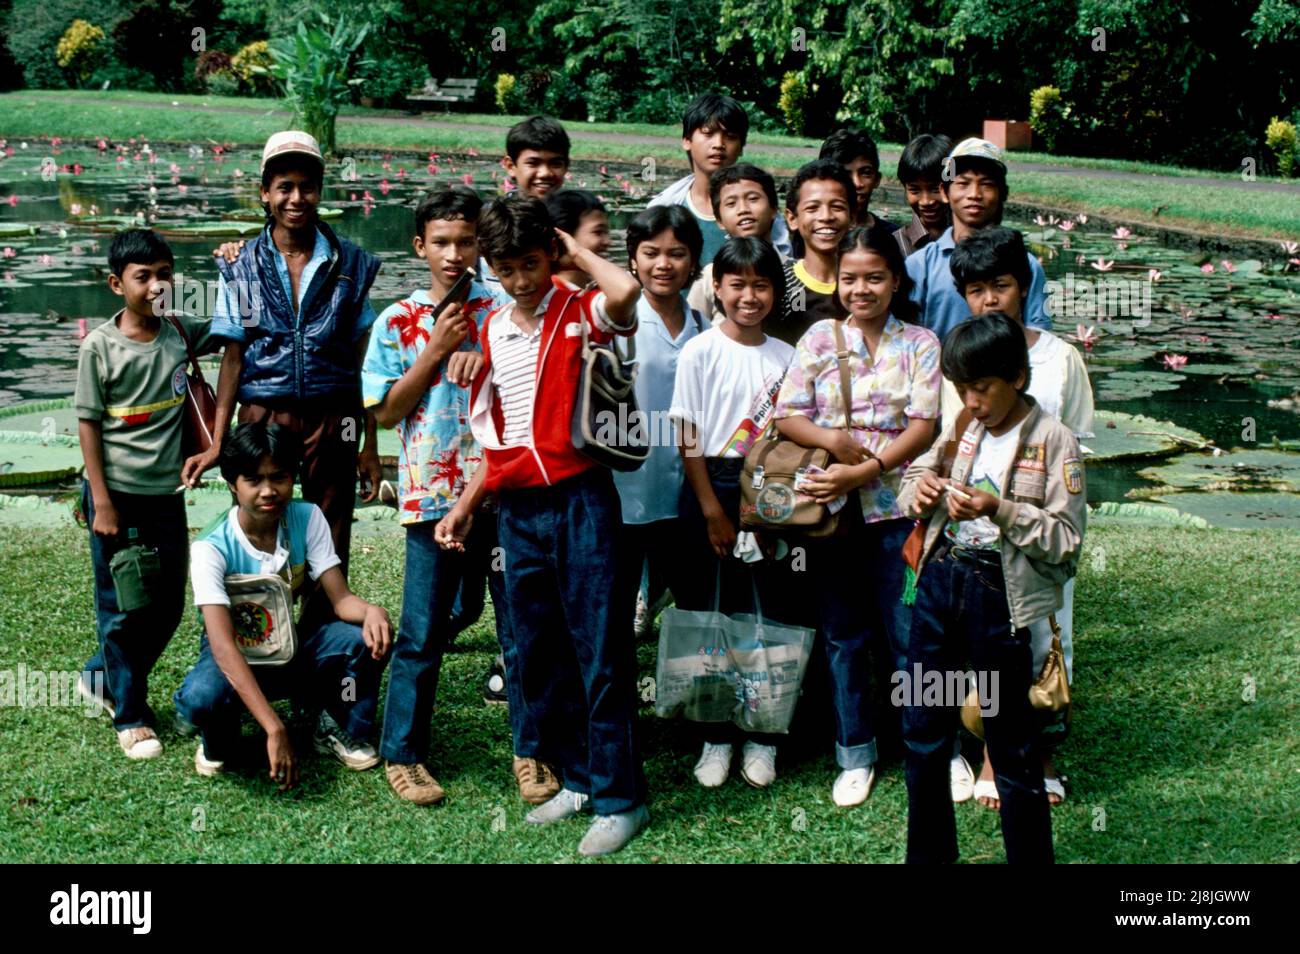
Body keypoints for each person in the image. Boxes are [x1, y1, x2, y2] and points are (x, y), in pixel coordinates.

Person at [438, 195, 648, 857]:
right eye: (506, 268)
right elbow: (500, 442)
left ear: (548, 256)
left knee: (601, 652)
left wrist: (573, 251)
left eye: (531, 263)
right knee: (540, 651)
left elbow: (628, 290)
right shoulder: (495, 328)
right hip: (519, 512)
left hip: (583, 501)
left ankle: (623, 799)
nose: (521, 279)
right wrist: (465, 505)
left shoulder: (579, 309)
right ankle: (580, 778)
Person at [361, 184, 532, 805]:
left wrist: (480, 358)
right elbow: (386, 413)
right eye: (442, 242)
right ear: (420, 246)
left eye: (466, 242)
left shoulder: (508, 310)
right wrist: (434, 352)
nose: (455, 254)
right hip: (430, 498)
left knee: (520, 630)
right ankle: (402, 752)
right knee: (422, 629)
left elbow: (525, 400)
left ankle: (531, 749)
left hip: (506, 495)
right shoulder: (397, 321)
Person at [897, 312, 1086, 864]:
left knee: (1011, 743)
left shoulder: (1055, 442)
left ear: (1018, 379)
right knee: (922, 731)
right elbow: (910, 483)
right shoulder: (962, 428)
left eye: (981, 388)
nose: (971, 400)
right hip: (937, 586)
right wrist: (924, 490)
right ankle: (929, 857)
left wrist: (999, 510)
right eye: (961, 389)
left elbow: (1066, 539)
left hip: (997, 599)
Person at [773, 227, 941, 806]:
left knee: (908, 633)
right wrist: (837, 444)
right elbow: (786, 414)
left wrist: (865, 471)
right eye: (849, 278)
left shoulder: (920, 342)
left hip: (902, 511)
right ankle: (855, 752)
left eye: (874, 277)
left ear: (896, 280)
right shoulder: (820, 337)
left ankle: (929, 747)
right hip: (831, 515)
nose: (861, 289)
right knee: (844, 636)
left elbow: (925, 425)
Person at [191, 130, 383, 635]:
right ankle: (257, 643)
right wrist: (217, 439)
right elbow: (233, 356)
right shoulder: (243, 263)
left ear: (320, 190)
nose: (296, 199)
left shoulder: (351, 266)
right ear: (265, 193)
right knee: (256, 523)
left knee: (331, 526)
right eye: (283, 187)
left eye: (307, 186)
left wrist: (369, 441)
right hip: (262, 409)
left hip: (334, 413)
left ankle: (320, 656)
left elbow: (362, 358)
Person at [947, 226, 1095, 808]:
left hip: (1041, 532)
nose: (989, 300)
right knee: (982, 645)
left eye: (1001, 286)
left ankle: (1041, 750)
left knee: (1045, 640)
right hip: (974, 535)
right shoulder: (958, 354)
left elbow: (1078, 452)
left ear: (1024, 286)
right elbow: (949, 439)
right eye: (976, 289)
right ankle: (985, 751)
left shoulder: (1061, 361)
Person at [175, 422, 393, 787]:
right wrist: (275, 728)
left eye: (279, 477)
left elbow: (341, 600)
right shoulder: (210, 547)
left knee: (363, 639)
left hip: (287, 646)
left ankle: (337, 725)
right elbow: (223, 647)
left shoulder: (307, 518)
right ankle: (213, 731)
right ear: (232, 484)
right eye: (253, 480)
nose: (268, 490)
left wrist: (374, 612)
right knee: (203, 700)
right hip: (234, 654)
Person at [73, 228, 215, 760]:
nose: (157, 286)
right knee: (122, 607)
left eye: (164, 275)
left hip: (165, 495)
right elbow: (87, 425)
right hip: (116, 495)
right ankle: (130, 714)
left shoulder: (180, 332)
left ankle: (99, 676)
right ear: (117, 284)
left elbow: (235, 326)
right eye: (143, 277)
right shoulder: (100, 347)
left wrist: (230, 269)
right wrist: (102, 503)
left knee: (168, 606)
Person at [670, 236, 797, 790]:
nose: (750, 296)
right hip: (709, 487)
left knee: (764, 614)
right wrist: (711, 512)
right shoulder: (699, 351)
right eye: (738, 284)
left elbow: (788, 442)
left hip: (768, 490)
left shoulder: (788, 358)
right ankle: (714, 735)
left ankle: (762, 737)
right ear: (716, 288)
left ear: (777, 291)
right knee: (707, 612)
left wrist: (765, 514)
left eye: (761, 285)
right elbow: (687, 435)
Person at [613, 205, 709, 637]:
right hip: (625, 489)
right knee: (613, 604)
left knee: (695, 600)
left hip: (687, 491)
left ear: (694, 261)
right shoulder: (617, 322)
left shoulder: (703, 326)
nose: (664, 265)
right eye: (651, 253)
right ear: (633, 259)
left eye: (677, 253)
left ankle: (690, 694)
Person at [905, 138, 1051, 343]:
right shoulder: (919, 265)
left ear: (1002, 194)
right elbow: (908, 340)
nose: (974, 194)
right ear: (945, 192)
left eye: (987, 184)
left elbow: (1039, 338)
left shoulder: (1027, 266)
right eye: (963, 183)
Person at [648, 92, 793, 263]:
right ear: (687, 140)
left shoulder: (761, 210)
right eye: (708, 134)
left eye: (730, 137)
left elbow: (784, 262)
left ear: (741, 147)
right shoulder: (664, 205)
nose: (718, 144)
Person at [769, 159, 856, 345]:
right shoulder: (780, 282)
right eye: (812, 208)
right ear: (792, 219)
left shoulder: (862, 284)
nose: (826, 217)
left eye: (837, 207)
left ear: (852, 217)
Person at [686, 163, 785, 325]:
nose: (743, 209)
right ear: (719, 220)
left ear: (774, 209)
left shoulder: (794, 272)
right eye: (731, 203)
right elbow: (692, 327)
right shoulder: (710, 276)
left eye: (753, 199)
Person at [819, 128, 898, 236]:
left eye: (865, 173)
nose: (857, 183)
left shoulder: (893, 237)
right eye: (845, 175)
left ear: (877, 179)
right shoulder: (815, 234)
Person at [893, 134, 953, 259]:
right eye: (915, 190)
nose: (926, 201)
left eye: (935, 189)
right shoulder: (894, 245)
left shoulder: (970, 239)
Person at [543, 189, 611, 288]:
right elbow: (628, 289)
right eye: (598, 232)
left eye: (606, 232)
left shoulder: (599, 287)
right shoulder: (550, 294)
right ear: (563, 236)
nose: (608, 242)